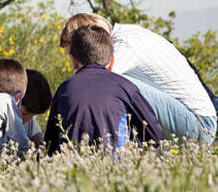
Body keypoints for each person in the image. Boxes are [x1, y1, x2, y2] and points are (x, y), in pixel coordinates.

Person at [60, 13, 217, 143]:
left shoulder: (124, 46)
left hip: (199, 125)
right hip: (191, 119)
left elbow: (95, 85)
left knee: (111, 83)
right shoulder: (128, 34)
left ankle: (119, 151)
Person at [45, 25, 164, 154]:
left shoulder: (64, 89)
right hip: (113, 168)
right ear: (111, 60)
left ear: (73, 61)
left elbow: (50, 143)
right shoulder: (125, 87)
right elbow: (155, 135)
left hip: (71, 168)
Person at [20, 69, 53, 147]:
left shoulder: (27, 108)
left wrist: (40, 143)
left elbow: (36, 134)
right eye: (24, 114)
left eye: (32, 115)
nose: (26, 120)